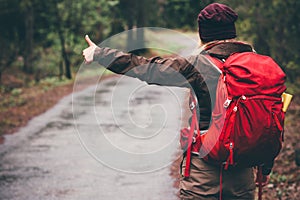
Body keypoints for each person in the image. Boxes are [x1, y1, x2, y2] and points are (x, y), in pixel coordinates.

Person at [83, 3, 271, 200]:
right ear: (232, 32)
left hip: (203, 177)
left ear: (203, 35)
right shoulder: (255, 66)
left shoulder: (198, 65)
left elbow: (146, 68)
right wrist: (264, 168)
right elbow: (267, 121)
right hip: (243, 174)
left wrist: (99, 54)